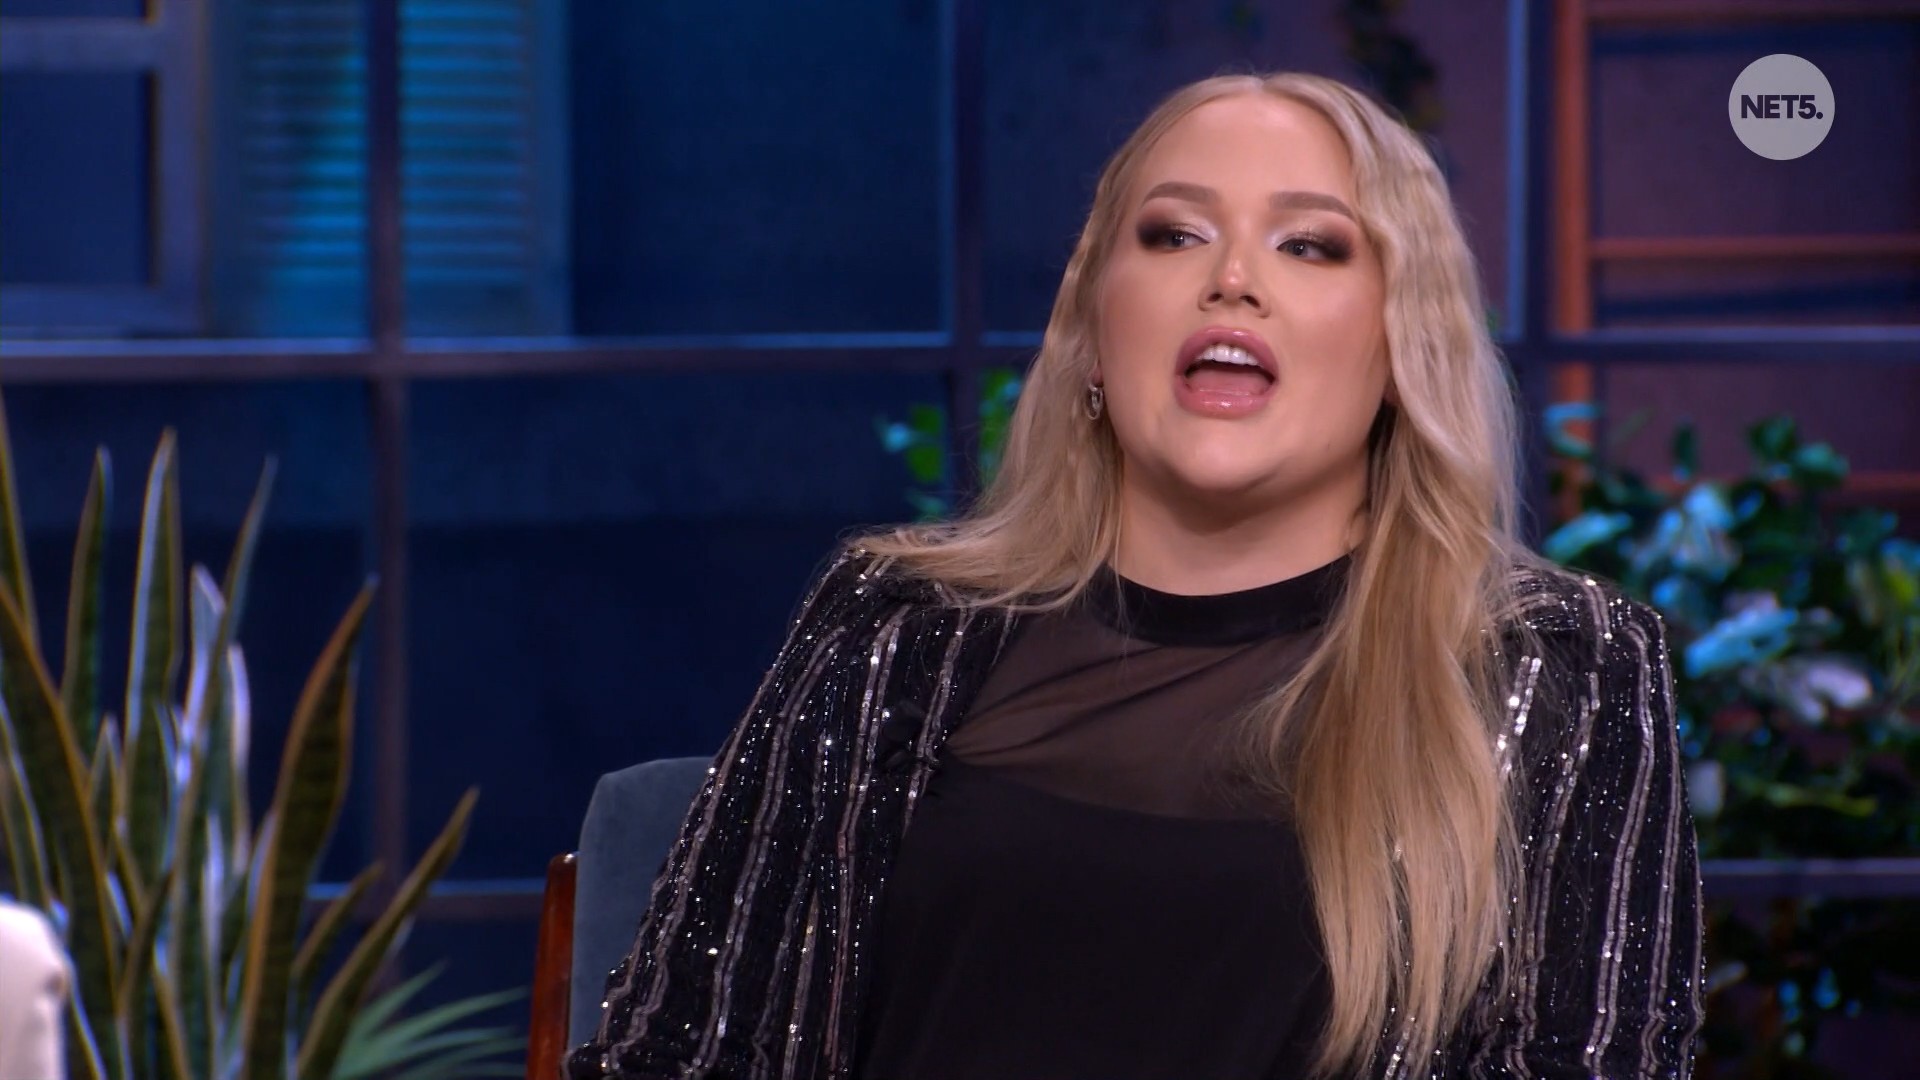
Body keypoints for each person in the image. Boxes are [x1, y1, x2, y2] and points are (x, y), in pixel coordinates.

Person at [567, 70, 1704, 1080]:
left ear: (1404, 346)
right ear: (1093, 332)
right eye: (1174, 235)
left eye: (1309, 245)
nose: (1233, 280)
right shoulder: (895, 623)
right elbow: (682, 1047)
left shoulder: (1556, 667)